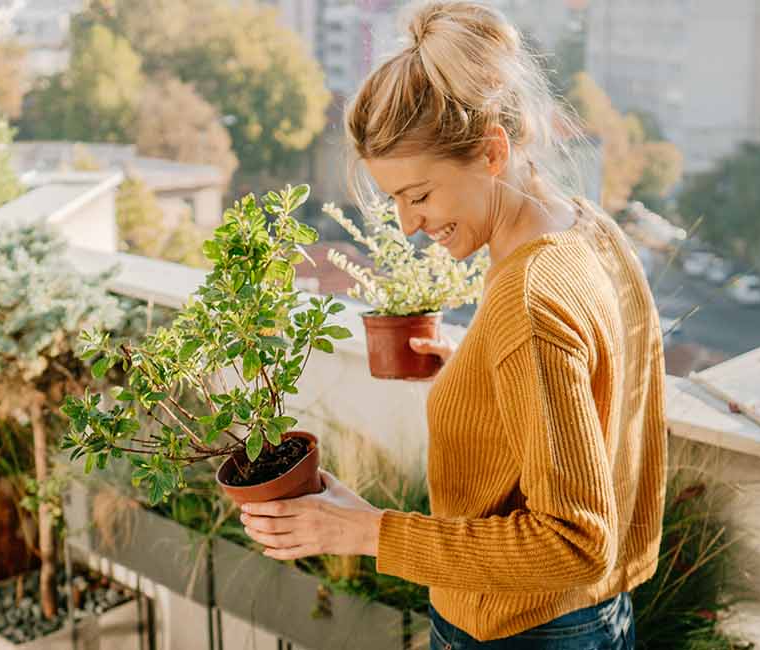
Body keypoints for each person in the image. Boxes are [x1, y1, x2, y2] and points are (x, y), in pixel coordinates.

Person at [237, 2, 667, 647]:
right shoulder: (586, 227)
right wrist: (474, 366)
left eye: (419, 195)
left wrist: (360, 531)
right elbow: (596, 387)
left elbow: (574, 545)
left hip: (525, 630)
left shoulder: (529, 297)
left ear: (493, 151)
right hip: (591, 619)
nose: (409, 225)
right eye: (396, 201)